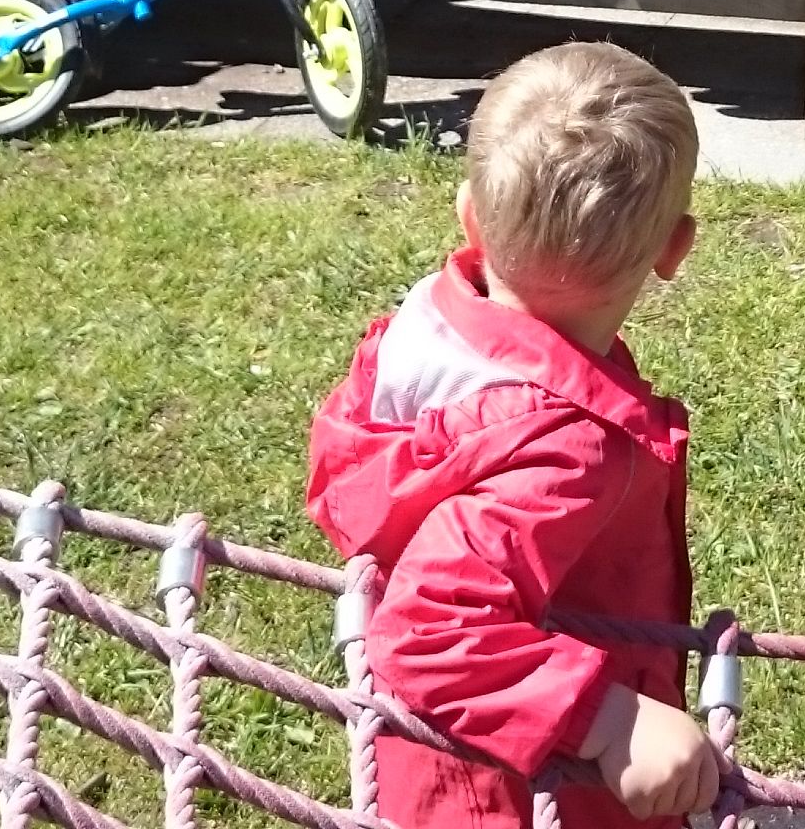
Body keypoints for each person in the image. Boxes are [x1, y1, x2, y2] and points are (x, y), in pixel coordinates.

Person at [305, 44, 715, 829]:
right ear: (675, 249)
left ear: (470, 216)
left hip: (441, 765)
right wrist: (609, 719)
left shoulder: (420, 345)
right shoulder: (565, 451)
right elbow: (430, 631)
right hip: (533, 790)